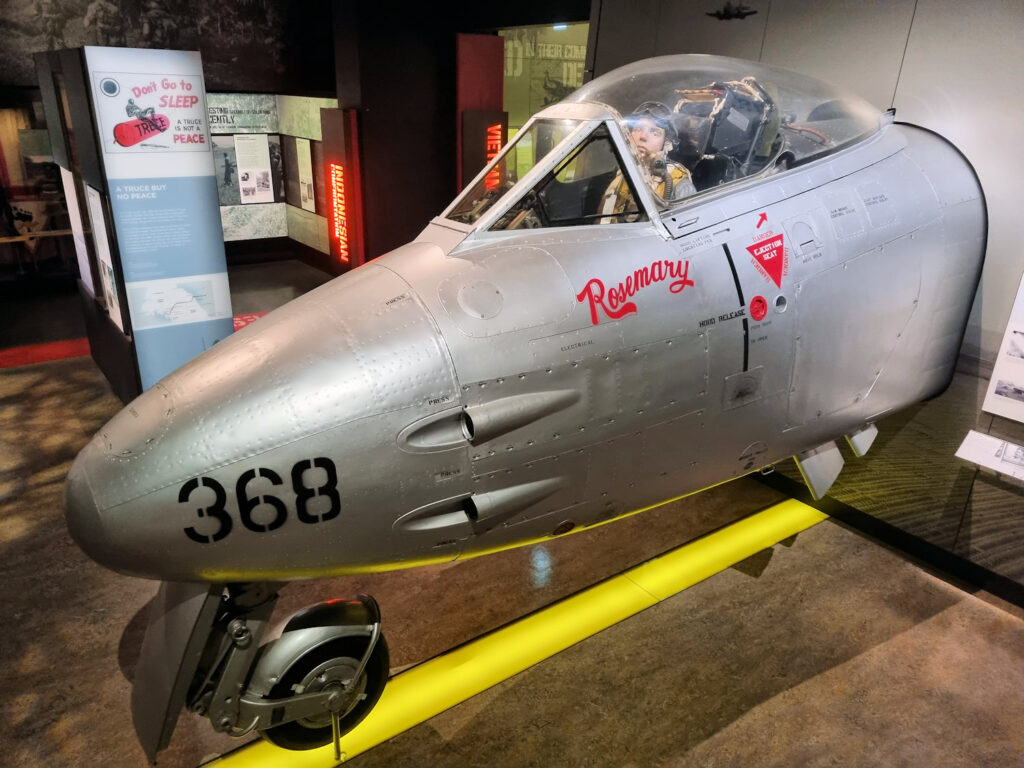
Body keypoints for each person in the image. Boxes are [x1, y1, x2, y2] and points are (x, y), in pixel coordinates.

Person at [602, 101, 695, 220]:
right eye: (638, 129)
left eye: (654, 132)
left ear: (666, 144)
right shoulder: (623, 172)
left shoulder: (679, 183)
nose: (643, 137)